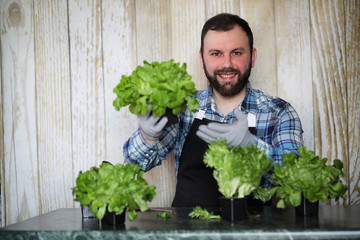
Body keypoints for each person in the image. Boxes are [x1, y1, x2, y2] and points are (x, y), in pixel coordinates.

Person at [123, 13, 303, 208]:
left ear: (252, 56)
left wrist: (253, 145)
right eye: (216, 53)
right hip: (188, 233)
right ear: (202, 59)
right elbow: (135, 164)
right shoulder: (184, 109)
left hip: (254, 233)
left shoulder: (279, 112)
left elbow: (297, 178)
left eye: (237, 53)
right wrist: (148, 136)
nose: (227, 64)